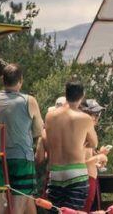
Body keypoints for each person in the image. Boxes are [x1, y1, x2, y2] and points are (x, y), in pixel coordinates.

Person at [0, 63, 44, 214]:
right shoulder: (28, 100)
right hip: (22, 159)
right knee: (18, 208)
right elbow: (38, 131)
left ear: (2, 79)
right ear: (21, 80)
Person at [44, 81, 98, 210]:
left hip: (55, 172)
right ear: (82, 96)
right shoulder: (84, 118)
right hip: (76, 172)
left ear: (65, 94)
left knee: (57, 212)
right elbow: (94, 143)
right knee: (73, 212)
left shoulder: (50, 116)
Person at [79, 99, 111, 212]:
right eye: (95, 114)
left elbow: (86, 157)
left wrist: (99, 154)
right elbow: (78, 161)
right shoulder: (82, 132)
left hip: (89, 179)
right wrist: (98, 157)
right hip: (84, 180)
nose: (97, 118)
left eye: (98, 114)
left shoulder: (87, 132)